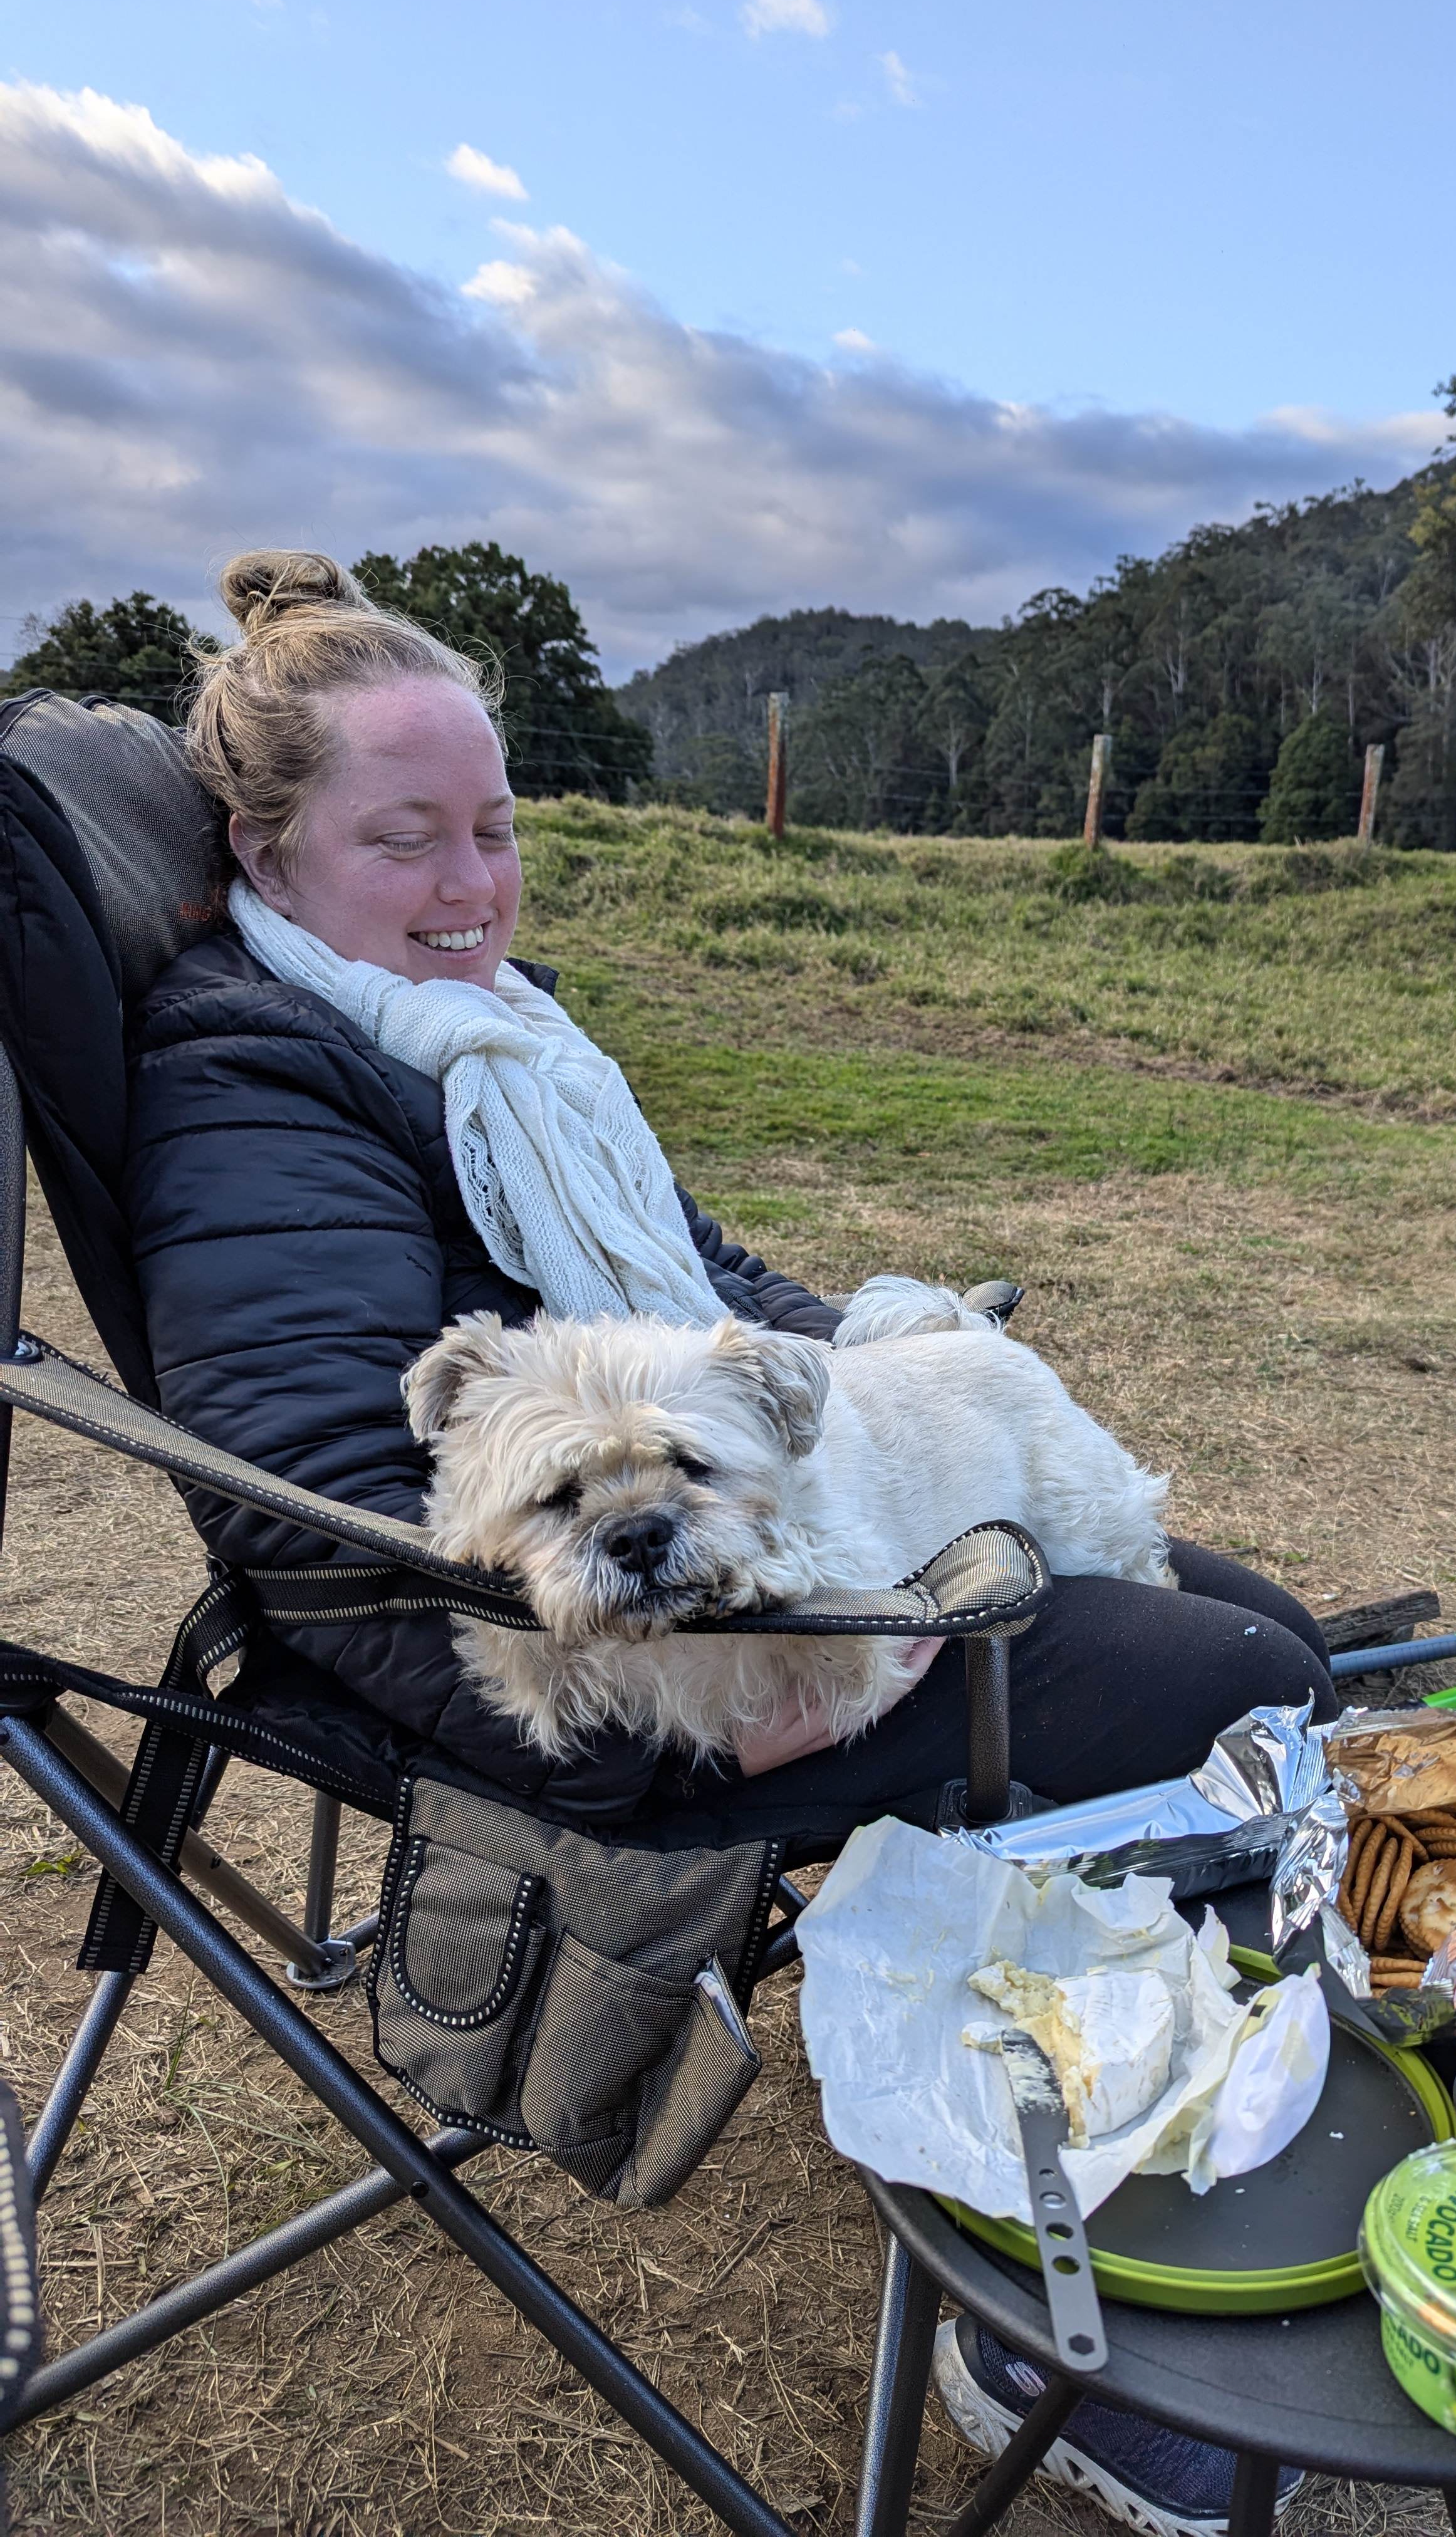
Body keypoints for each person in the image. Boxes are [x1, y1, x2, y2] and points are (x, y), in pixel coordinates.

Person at [125, 550, 1331, 2537]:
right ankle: (1055, 2320)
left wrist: (882, 1363)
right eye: (404, 837)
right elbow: (319, 1519)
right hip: (613, 1683)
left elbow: (699, 1284)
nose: (471, 883)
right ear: (267, 847)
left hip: (740, 1566)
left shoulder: (498, 1032)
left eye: (496, 828)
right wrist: (668, 1740)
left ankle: (1064, 2068)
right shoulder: (252, 1078)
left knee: (1250, 1616)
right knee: (1237, 1694)